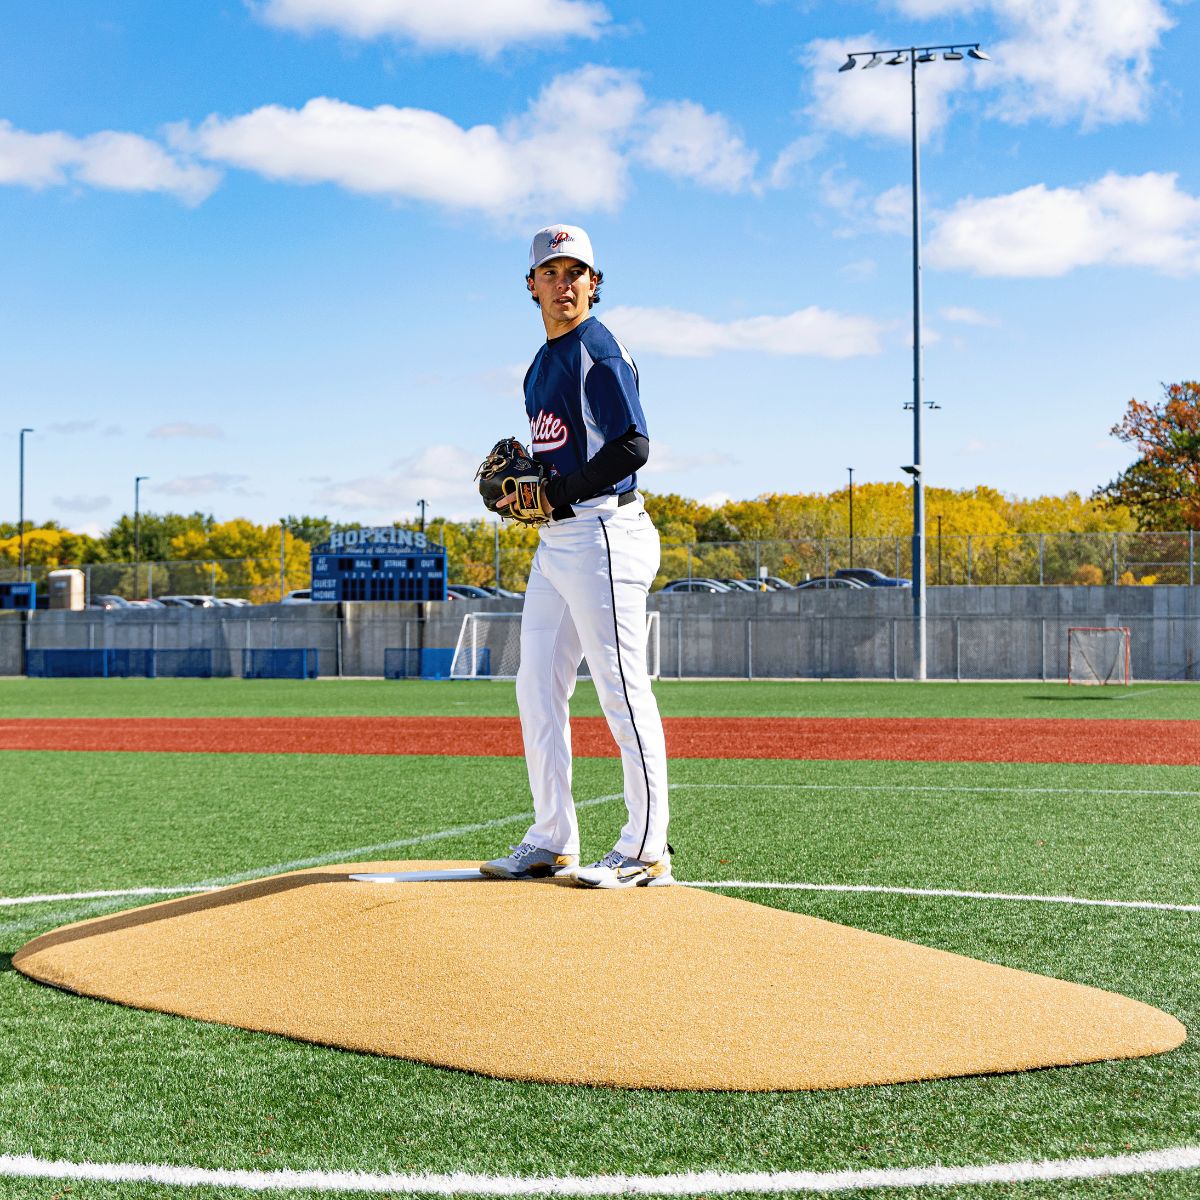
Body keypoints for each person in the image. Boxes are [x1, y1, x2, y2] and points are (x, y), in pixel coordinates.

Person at [480, 224, 672, 890]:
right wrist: (533, 491)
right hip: (558, 541)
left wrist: (557, 491)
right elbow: (561, 453)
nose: (564, 284)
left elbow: (631, 445)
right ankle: (552, 838)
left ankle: (645, 847)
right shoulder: (540, 364)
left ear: (594, 283)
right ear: (531, 285)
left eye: (575, 273)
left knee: (621, 689)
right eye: (551, 273)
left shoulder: (598, 349)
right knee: (535, 684)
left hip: (604, 533)